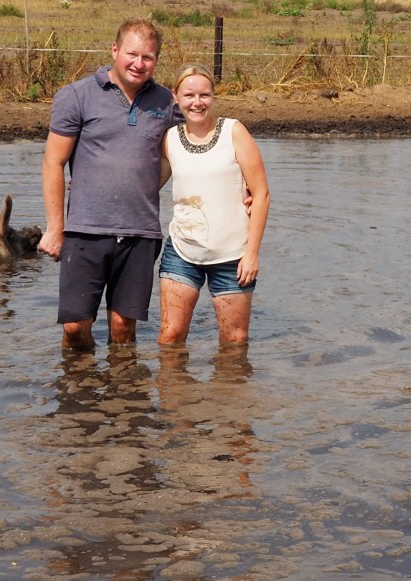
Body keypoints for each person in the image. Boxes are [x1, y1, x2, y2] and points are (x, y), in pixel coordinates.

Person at [38, 18, 182, 351]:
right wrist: (55, 227)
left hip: (140, 232)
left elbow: (199, 144)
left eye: (148, 57)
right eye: (132, 54)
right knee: (75, 327)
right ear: (114, 50)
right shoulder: (76, 96)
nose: (139, 64)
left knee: (122, 327)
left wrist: (245, 187)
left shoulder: (166, 103)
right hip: (84, 230)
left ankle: (122, 397)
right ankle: (79, 387)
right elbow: (53, 163)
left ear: (156, 60)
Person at [156, 64, 272, 346]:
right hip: (182, 251)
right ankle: (173, 391)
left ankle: (226, 392)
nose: (197, 103)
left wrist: (252, 254)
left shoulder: (234, 131)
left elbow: (261, 195)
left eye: (204, 95)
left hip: (233, 256)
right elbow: (147, 185)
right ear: (176, 96)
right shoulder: (169, 139)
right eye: (189, 95)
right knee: (170, 337)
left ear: (213, 96)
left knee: (234, 342)